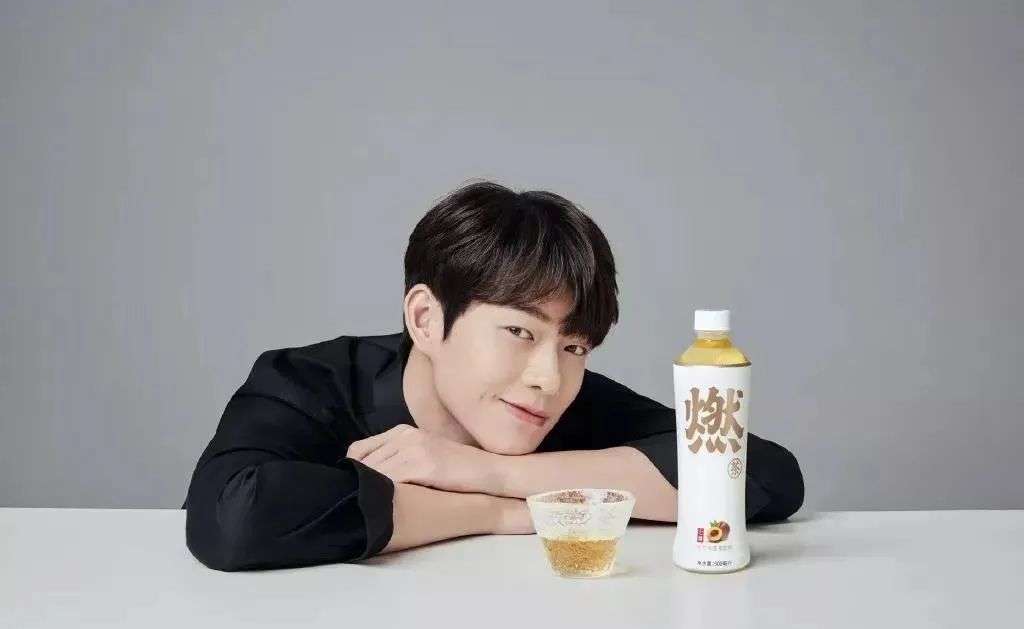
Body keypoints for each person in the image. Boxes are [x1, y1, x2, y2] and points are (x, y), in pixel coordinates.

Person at [183, 181, 804, 571]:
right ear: (426, 319)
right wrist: (501, 512)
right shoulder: (307, 381)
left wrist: (493, 474)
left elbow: (765, 474)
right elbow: (235, 520)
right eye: (520, 332)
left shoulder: (562, 398)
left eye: (575, 346)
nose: (550, 379)